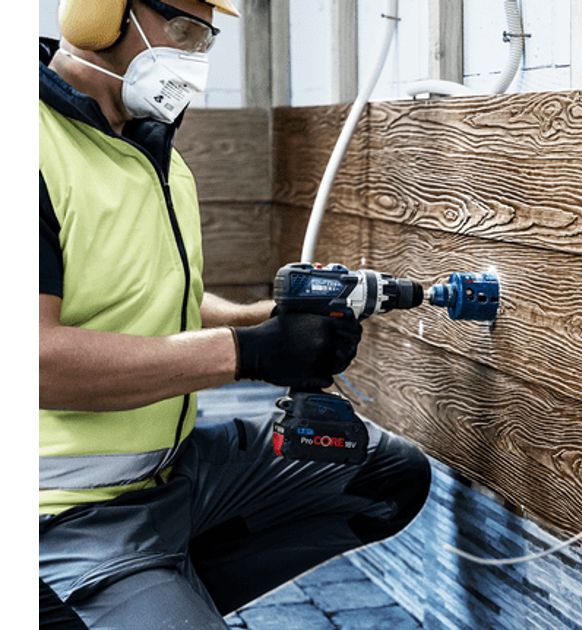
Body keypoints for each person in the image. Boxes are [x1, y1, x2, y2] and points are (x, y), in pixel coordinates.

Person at [39, 1, 431, 627]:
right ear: (99, 14)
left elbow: (153, 297)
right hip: (60, 513)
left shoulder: (151, 150)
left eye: (206, 38)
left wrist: (260, 319)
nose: (195, 56)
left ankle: (161, 591)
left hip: (169, 476)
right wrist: (249, 354)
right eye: (183, 29)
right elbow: (36, 363)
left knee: (384, 475)